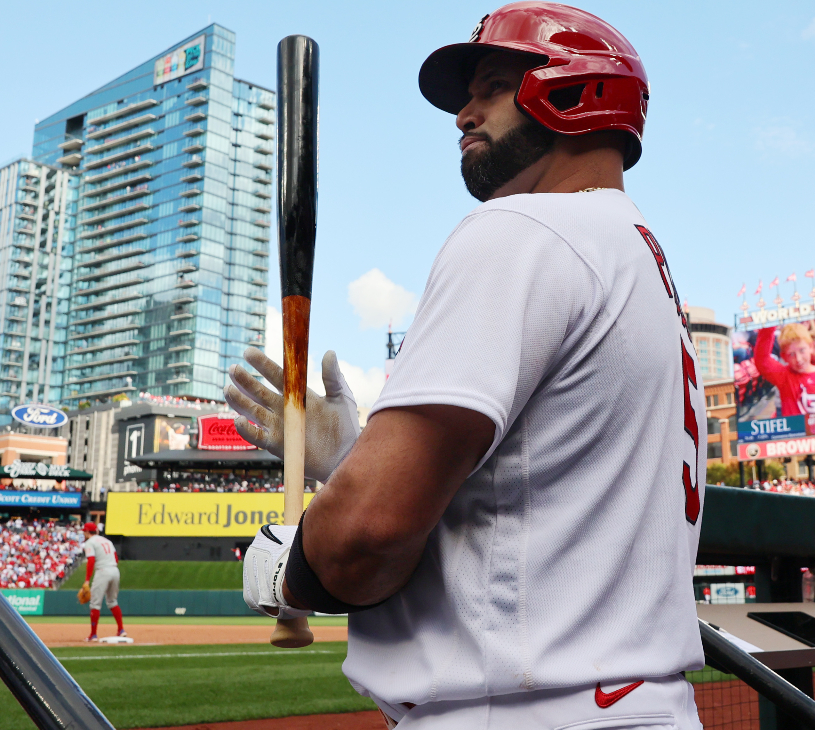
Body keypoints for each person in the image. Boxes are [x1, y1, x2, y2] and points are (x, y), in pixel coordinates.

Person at [229, 4, 705, 729]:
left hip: (522, 713)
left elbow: (366, 539)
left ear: (573, 89)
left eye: (488, 86)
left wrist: (289, 576)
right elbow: (541, 504)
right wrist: (357, 457)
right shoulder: (641, 262)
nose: (462, 113)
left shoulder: (522, 231)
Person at [753, 324, 815, 416]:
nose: (798, 359)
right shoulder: (784, 377)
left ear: (810, 347)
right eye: (791, 354)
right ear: (784, 357)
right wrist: (769, 323)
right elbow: (762, 360)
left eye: (802, 350)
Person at [81, 522, 123, 641]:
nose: (84, 533)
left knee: (95, 604)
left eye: (84, 531)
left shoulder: (90, 542)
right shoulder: (107, 541)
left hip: (102, 571)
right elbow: (115, 558)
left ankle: (93, 635)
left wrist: (87, 580)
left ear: (88, 532)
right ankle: (121, 630)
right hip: (115, 570)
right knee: (112, 601)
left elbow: (91, 560)